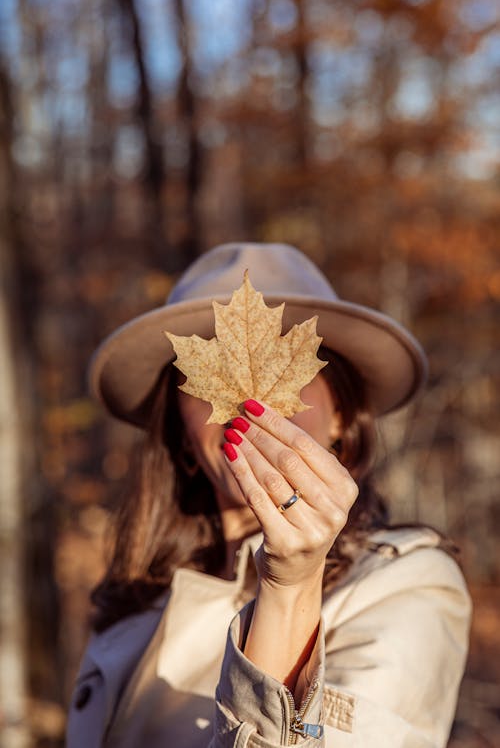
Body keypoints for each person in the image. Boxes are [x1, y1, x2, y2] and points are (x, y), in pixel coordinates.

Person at [66, 242, 472, 747]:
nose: (249, 405)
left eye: (291, 370)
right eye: (212, 379)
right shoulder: (136, 599)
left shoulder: (406, 583)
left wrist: (291, 585)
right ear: (180, 430)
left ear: (342, 414)